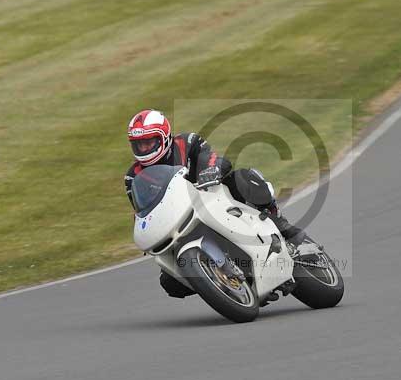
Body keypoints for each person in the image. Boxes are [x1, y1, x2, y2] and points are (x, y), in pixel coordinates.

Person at [124, 109, 305, 298]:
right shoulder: (133, 176)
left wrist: (210, 170)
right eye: (139, 144)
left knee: (241, 178)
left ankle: (278, 220)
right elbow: (143, 207)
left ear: (164, 137)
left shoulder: (187, 142)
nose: (144, 148)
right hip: (179, 216)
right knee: (170, 283)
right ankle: (216, 282)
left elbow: (210, 156)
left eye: (148, 142)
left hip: (212, 194)